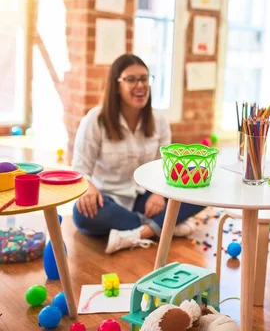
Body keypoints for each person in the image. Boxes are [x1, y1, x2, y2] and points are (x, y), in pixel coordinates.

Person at [71, 54, 206, 254]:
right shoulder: (95, 120)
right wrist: (89, 189)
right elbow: (80, 170)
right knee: (81, 215)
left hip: (146, 198)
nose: (140, 85)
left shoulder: (159, 120)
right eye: (131, 79)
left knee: (200, 181)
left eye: (144, 78)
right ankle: (166, 226)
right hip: (108, 200)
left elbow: (164, 167)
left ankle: (141, 232)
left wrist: (158, 194)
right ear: (116, 85)